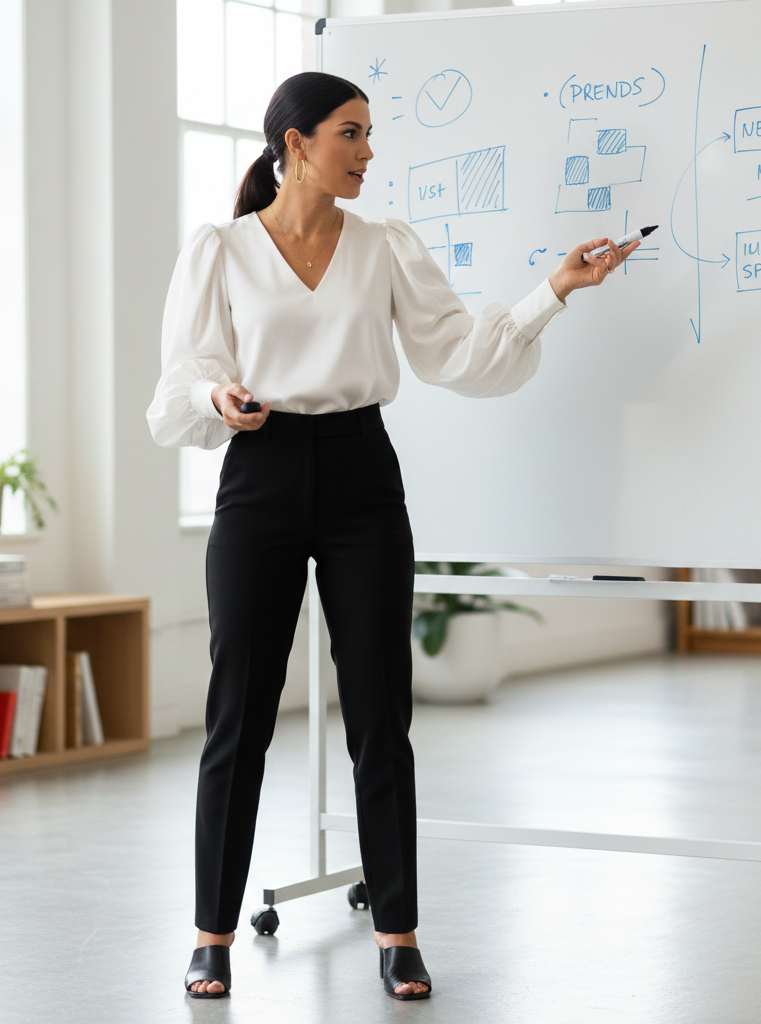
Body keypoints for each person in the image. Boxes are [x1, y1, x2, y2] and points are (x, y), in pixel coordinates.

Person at [146, 70, 639, 1003]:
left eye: (369, 134)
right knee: (238, 716)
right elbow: (180, 384)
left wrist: (553, 291)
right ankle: (211, 936)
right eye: (351, 133)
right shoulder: (220, 249)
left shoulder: (383, 246)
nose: (368, 152)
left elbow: (458, 351)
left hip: (362, 478)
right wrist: (218, 396)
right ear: (296, 144)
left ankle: (398, 935)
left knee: (382, 716)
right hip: (259, 475)